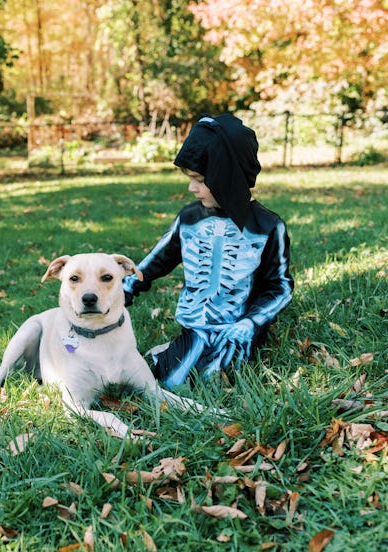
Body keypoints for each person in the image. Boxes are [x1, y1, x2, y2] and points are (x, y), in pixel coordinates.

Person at [123, 114, 294, 389]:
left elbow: (281, 286)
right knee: (170, 381)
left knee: (214, 381)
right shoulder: (190, 218)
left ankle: (190, 355)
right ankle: (176, 352)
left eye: (200, 179)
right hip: (195, 327)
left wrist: (252, 323)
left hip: (236, 331)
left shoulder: (268, 226)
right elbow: (158, 259)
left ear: (227, 178)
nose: (192, 187)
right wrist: (126, 286)